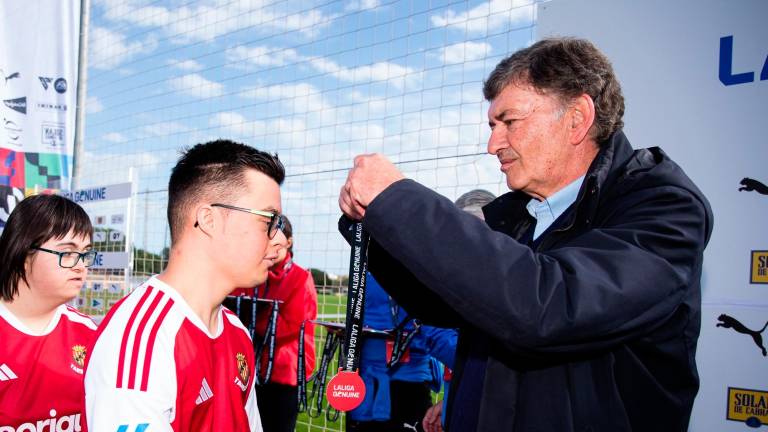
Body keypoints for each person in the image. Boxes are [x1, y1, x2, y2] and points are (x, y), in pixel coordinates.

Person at [338, 38, 713, 431]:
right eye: (491, 126)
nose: (492, 144)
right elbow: (441, 301)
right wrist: (375, 223)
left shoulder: (663, 209)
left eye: (509, 122)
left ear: (577, 117)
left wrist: (399, 200)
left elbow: (548, 304)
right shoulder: (516, 215)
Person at [85, 140, 285, 431]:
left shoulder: (236, 331)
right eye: (270, 220)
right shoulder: (143, 341)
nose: (279, 239)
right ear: (208, 219)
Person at [0, 194, 97, 429]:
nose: (80, 265)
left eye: (85, 254)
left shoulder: (90, 334)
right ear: (24, 253)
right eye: (68, 252)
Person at [421, 189, 496, 432]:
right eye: (464, 229)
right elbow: (436, 335)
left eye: (482, 228)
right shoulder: (446, 279)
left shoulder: (512, 277)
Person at [346, 272, 456, 432]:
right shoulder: (415, 269)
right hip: (403, 393)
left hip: (361, 391)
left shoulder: (364, 269)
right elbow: (443, 340)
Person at [253, 215, 318, 432]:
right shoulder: (257, 273)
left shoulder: (300, 277)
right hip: (257, 369)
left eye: (276, 242)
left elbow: (291, 325)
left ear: (288, 242)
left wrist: (252, 323)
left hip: (286, 371)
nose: (270, 248)